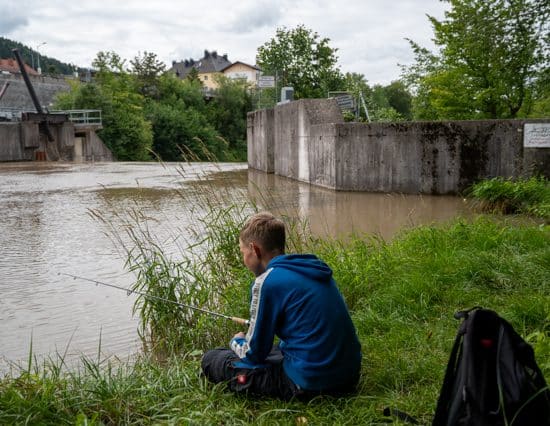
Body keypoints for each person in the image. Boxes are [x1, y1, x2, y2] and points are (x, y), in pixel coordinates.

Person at [201, 212, 361, 399]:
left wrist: (236, 341)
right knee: (274, 349)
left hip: (311, 384)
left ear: (255, 250)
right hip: (349, 376)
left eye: (242, 252)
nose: (243, 259)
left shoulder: (267, 282)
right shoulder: (312, 267)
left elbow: (253, 355)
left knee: (213, 358)